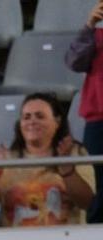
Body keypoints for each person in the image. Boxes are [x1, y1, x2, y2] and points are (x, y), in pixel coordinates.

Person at [0, 93, 93, 227]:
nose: (32, 121)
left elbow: (87, 203)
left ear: (57, 122)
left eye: (40, 116)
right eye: (26, 117)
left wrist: (67, 170)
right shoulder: (5, 159)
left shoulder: (74, 154)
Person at [74, 6, 103, 223]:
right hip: (98, 122)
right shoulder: (96, 36)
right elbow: (73, 62)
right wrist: (89, 25)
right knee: (98, 189)